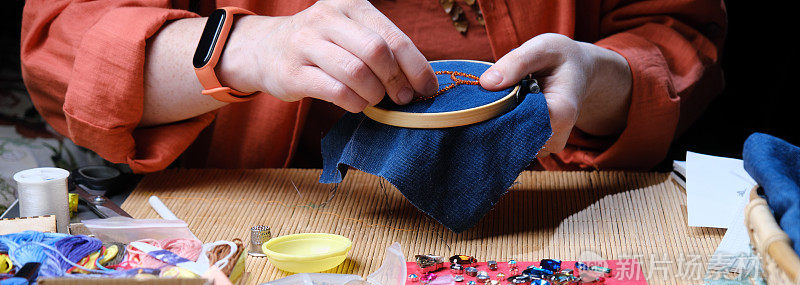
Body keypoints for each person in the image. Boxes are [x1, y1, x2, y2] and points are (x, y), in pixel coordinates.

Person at [20, 1, 725, 173]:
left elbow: (674, 28)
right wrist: (244, 47)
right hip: (267, 234)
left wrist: (606, 81)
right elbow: (61, 42)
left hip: (559, 220)